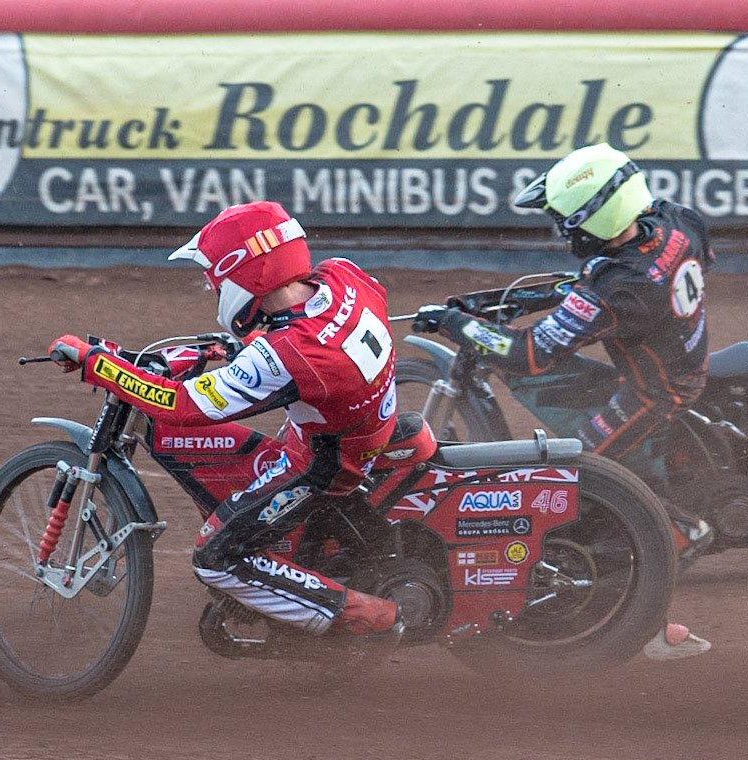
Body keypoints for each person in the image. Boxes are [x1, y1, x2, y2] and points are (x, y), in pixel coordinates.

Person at [49, 200, 403, 655]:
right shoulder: (343, 276)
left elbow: (179, 405)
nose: (212, 284)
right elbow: (303, 335)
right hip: (361, 427)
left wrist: (97, 364)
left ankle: (366, 617)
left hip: (321, 466)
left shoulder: (288, 354)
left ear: (244, 271)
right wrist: (250, 341)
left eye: (214, 275)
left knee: (215, 558)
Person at [411, 143, 713, 660]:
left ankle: (663, 576)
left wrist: (456, 324)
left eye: (565, 220)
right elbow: (603, 276)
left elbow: (528, 355)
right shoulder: (674, 221)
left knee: (579, 483)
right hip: (672, 359)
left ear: (598, 215)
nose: (562, 231)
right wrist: (515, 300)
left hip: (652, 393)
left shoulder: (624, 289)